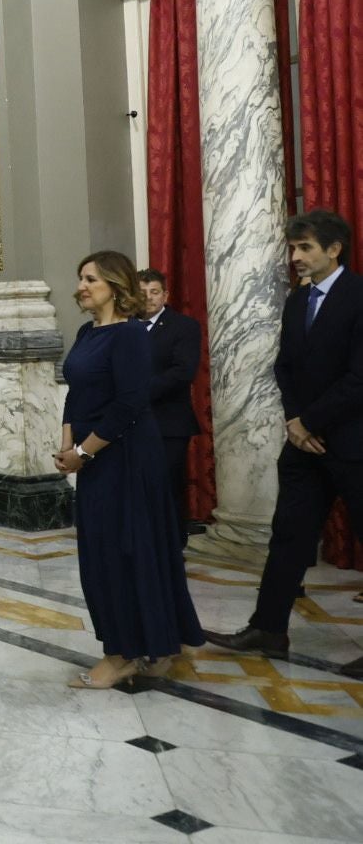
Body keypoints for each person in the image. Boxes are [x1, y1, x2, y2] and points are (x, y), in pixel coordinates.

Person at [204, 210, 363, 678]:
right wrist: (296, 421)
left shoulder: (360, 296)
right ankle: (268, 629)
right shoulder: (297, 301)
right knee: (289, 536)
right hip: (303, 444)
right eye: (292, 248)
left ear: (334, 249)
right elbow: (284, 367)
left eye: (305, 248)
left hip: (353, 443)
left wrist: (310, 420)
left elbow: (360, 379)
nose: (295, 257)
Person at [55, 250, 203, 688]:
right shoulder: (87, 332)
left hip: (128, 460)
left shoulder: (131, 335)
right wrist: (68, 447)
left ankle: (124, 653)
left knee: (124, 554)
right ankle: (146, 642)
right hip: (95, 459)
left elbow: (129, 405)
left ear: (116, 288)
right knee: (99, 554)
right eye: (80, 277)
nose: (81, 286)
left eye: (91, 279)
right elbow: (75, 394)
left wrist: (84, 451)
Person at [137, 269, 204, 543]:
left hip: (169, 423)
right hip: (131, 422)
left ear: (165, 295)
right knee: (137, 486)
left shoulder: (184, 326)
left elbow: (183, 371)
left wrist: (136, 393)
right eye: (142, 293)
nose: (149, 298)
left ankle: (173, 544)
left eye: (154, 292)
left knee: (166, 485)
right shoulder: (124, 326)